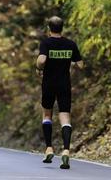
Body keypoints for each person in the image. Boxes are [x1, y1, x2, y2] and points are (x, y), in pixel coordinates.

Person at [35, 16, 84, 169]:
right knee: (65, 116)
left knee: (47, 115)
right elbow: (81, 64)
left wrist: (38, 67)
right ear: (62, 27)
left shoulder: (46, 43)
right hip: (64, 84)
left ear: (49, 28)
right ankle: (66, 151)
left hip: (49, 84)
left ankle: (49, 148)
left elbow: (42, 60)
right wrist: (69, 62)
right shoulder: (70, 44)